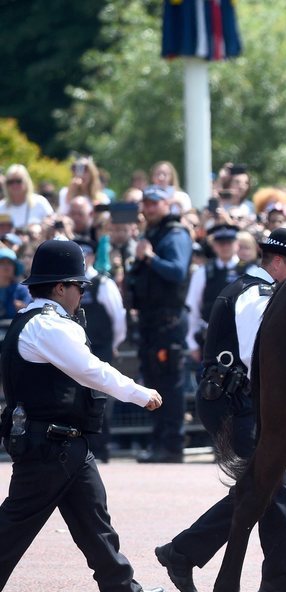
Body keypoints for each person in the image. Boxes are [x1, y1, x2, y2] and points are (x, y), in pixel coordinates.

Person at [0, 240, 166, 592]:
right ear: (60, 288)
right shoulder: (48, 326)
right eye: (80, 286)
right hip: (50, 444)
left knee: (93, 516)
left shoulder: (37, 321)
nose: (82, 294)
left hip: (62, 442)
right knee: (14, 524)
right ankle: (120, 587)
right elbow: (92, 370)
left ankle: (120, 589)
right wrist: (139, 393)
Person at [155, 228, 286, 592]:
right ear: (278, 262)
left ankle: (279, 575)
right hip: (235, 401)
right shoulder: (255, 294)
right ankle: (182, 551)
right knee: (259, 485)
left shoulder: (254, 289)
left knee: (273, 484)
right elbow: (255, 354)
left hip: (237, 399)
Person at [127, 184, 193, 463]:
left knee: (169, 384)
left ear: (168, 204)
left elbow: (177, 271)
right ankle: (159, 442)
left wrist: (150, 257)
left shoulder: (176, 234)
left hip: (169, 322)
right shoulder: (152, 233)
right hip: (152, 323)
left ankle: (172, 444)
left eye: (155, 203)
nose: (149, 208)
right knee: (154, 381)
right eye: (146, 203)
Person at [77, 241, 127, 462]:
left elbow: (118, 319)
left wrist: (112, 345)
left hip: (101, 348)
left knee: (100, 397)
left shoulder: (103, 283)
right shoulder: (69, 283)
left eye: (85, 253)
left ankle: (101, 448)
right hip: (77, 349)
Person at [184, 223, 247, 364]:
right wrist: (192, 343)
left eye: (229, 242)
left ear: (237, 244)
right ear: (214, 246)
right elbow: (193, 308)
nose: (225, 247)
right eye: (221, 243)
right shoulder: (203, 272)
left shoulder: (249, 271)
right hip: (210, 339)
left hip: (240, 340)